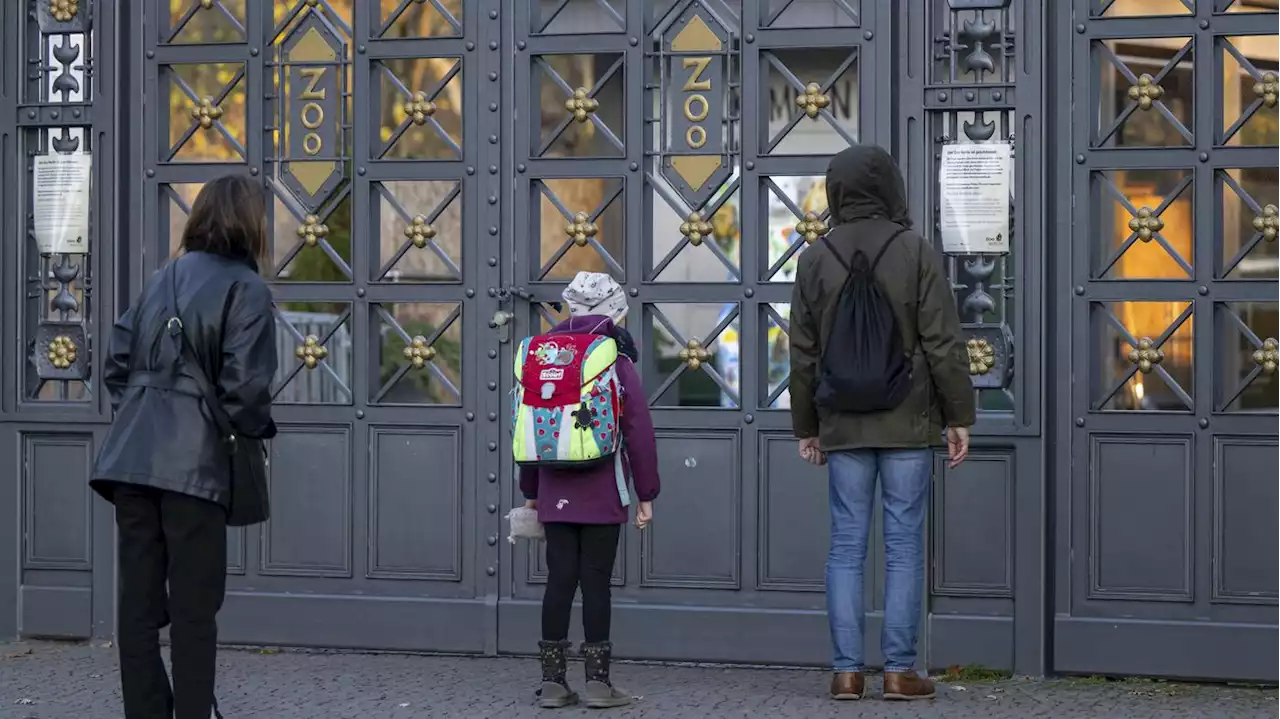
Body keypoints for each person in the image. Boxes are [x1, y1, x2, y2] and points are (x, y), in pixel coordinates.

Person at [789, 145, 975, 701]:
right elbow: (943, 342)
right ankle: (899, 670)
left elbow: (802, 352)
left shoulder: (815, 257)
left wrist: (806, 427)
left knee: (845, 546)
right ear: (892, 186)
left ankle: (846, 672)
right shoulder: (914, 250)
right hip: (907, 421)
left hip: (843, 424)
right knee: (902, 545)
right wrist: (958, 416)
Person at [91, 175, 277, 719]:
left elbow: (116, 363)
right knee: (195, 612)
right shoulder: (248, 288)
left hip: (131, 460)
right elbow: (246, 391)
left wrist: (150, 407)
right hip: (195, 467)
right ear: (251, 222)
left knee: (138, 609)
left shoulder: (161, 277)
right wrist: (251, 430)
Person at [518, 272, 660, 709]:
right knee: (596, 582)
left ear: (569, 309)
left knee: (559, 580)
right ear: (615, 311)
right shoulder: (615, 358)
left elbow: (527, 427)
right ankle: (598, 683)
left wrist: (532, 490)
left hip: (553, 487)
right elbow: (638, 429)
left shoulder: (544, 356)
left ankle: (552, 684)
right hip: (603, 488)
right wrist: (646, 493)